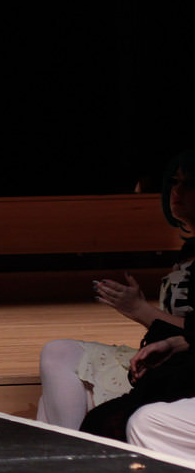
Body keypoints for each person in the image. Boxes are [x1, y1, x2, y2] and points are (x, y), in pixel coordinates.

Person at [36, 151, 195, 429]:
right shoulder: (188, 251)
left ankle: (71, 449)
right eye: (174, 181)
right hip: (170, 360)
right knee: (58, 368)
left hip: (184, 372)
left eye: (189, 184)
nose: (176, 191)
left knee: (59, 365)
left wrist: (140, 310)